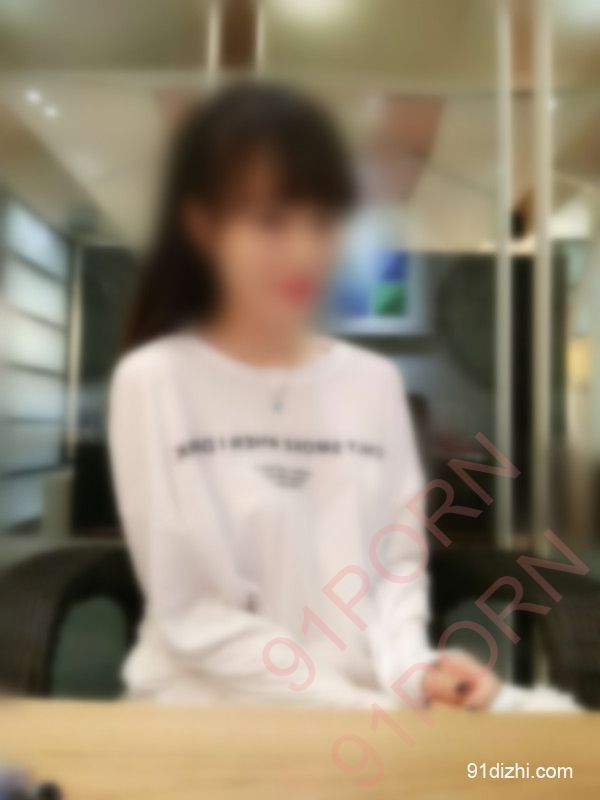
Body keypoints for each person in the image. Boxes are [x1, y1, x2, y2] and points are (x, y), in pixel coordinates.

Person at [109, 82, 499, 709]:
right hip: (199, 710)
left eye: (322, 222)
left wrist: (414, 672)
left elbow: (396, 565)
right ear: (203, 227)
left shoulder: (374, 382)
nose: (303, 251)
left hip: (357, 716)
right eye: (270, 220)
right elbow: (192, 613)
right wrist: (347, 704)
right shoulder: (155, 380)